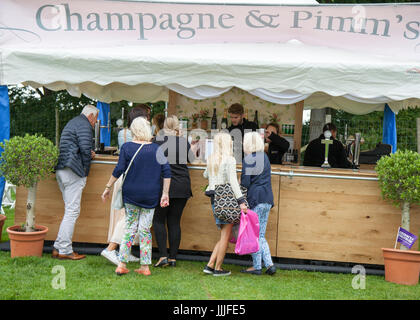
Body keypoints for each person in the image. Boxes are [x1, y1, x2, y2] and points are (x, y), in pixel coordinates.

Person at [101, 117, 171, 276]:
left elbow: (119, 169)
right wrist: (165, 193)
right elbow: (167, 172)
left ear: (134, 131)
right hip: (150, 196)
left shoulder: (127, 147)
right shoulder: (157, 149)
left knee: (130, 228)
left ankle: (121, 264)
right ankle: (145, 267)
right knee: (145, 230)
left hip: (131, 195)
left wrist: (107, 187)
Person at [101, 107, 150, 265]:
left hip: (124, 177)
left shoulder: (123, 133)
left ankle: (124, 250)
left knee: (127, 217)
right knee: (127, 218)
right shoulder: (138, 136)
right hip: (131, 178)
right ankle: (110, 248)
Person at [52, 105, 99, 260]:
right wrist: (85, 172)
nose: (96, 122)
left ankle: (58, 247)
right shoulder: (85, 125)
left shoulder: (74, 122)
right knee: (72, 211)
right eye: (96, 118)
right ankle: (65, 250)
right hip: (73, 170)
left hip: (62, 168)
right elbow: (85, 148)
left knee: (69, 210)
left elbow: (78, 146)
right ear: (91, 116)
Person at [202, 132, 248, 277]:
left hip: (214, 199)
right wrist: (241, 201)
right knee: (225, 236)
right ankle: (218, 268)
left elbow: (205, 175)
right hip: (226, 199)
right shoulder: (230, 159)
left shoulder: (211, 159)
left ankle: (210, 265)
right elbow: (234, 182)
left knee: (224, 234)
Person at [152, 115, 193, 268]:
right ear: (177, 126)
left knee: (158, 220)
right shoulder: (183, 142)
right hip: (181, 185)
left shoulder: (156, 141)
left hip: (162, 186)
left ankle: (163, 255)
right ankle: (173, 258)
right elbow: (192, 160)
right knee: (175, 222)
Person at [240, 132, 276, 276]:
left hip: (255, 199)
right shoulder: (265, 157)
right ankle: (269, 265)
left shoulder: (248, 159)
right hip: (267, 199)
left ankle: (257, 266)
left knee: (254, 235)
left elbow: (245, 183)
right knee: (260, 235)